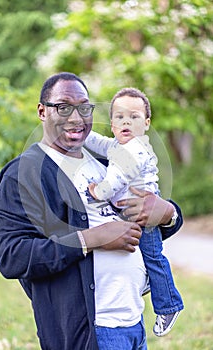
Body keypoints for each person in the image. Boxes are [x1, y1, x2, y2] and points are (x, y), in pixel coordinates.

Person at [0, 73, 183, 350]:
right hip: (88, 333)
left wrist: (167, 213)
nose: (76, 117)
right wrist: (91, 239)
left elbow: (149, 221)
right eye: (63, 106)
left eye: (84, 107)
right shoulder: (25, 173)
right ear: (42, 111)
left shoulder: (108, 160)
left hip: (133, 324)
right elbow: (12, 256)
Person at [85, 87, 184, 337]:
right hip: (130, 213)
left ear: (147, 123)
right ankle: (150, 280)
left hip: (144, 214)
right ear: (112, 123)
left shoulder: (136, 149)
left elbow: (118, 178)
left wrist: (99, 191)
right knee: (143, 253)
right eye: (119, 117)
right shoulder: (119, 145)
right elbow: (100, 143)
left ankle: (169, 305)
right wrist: (83, 133)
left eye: (134, 116)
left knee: (153, 256)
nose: (126, 121)